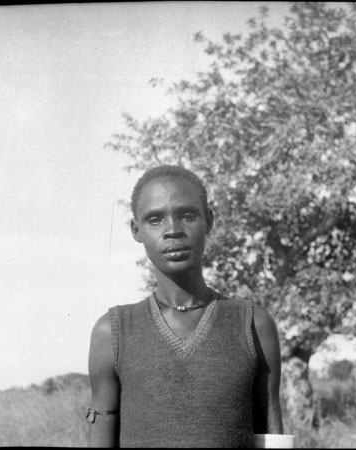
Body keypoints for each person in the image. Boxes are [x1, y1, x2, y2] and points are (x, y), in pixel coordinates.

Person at [87, 165, 283, 448]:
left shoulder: (253, 325)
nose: (173, 230)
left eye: (187, 215)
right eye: (155, 220)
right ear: (136, 230)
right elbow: (100, 436)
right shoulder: (113, 332)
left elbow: (272, 431)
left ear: (209, 220)